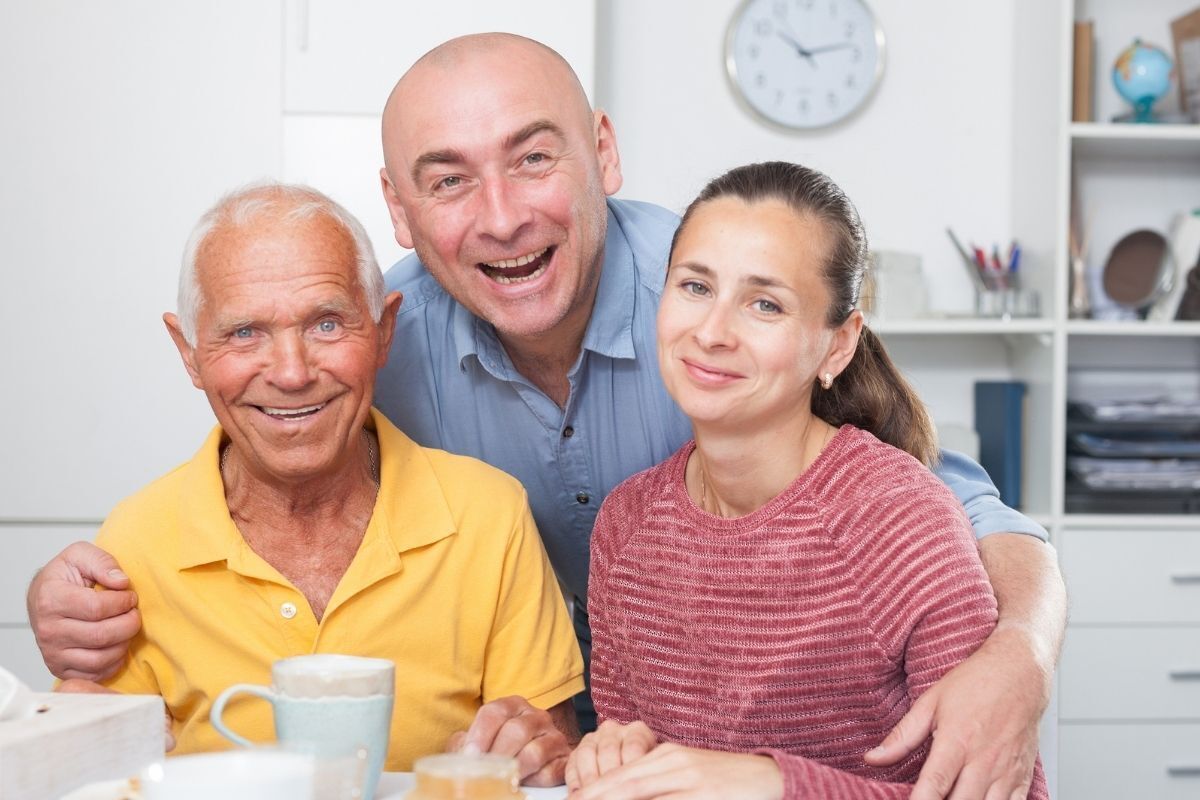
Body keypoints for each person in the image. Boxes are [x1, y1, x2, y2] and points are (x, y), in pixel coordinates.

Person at [27, 33, 1065, 799]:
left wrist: (1017, 650)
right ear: (398, 207)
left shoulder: (705, 300)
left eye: (533, 157)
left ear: (602, 153)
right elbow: (253, 437)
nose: (502, 215)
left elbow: (945, 513)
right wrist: (85, 594)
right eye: (449, 180)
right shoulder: (366, 334)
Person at [54, 183, 583, 782]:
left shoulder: (489, 515)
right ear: (190, 352)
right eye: (245, 332)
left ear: (384, 331)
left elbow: (548, 756)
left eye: (327, 324)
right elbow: (100, 770)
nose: (292, 372)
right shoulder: (137, 539)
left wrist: (537, 752)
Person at [564, 161, 1049, 800]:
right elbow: (637, 762)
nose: (711, 333)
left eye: (765, 304)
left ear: (837, 346)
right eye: (695, 286)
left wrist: (774, 784)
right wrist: (611, 753)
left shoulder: (899, 520)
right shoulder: (626, 523)